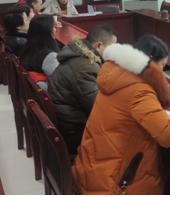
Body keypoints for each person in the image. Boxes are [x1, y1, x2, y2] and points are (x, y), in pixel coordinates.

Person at [73, 35, 170, 194]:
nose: (162, 72)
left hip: (93, 171)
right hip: (117, 184)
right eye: (162, 66)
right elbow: (169, 135)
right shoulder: (139, 90)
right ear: (150, 61)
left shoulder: (118, 75)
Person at [48, 24, 118, 154]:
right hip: (75, 132)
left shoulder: (79, 55)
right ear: (98, 46)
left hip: (69, 120)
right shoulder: (84, 68)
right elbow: (99, 108)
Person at [19, 14, 59, 89]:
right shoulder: (49, 56)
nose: (55, 29)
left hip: (33, 91)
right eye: (54, 27)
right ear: (47, 31)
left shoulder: (28, 48)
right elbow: (61, 81)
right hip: (49, 92)